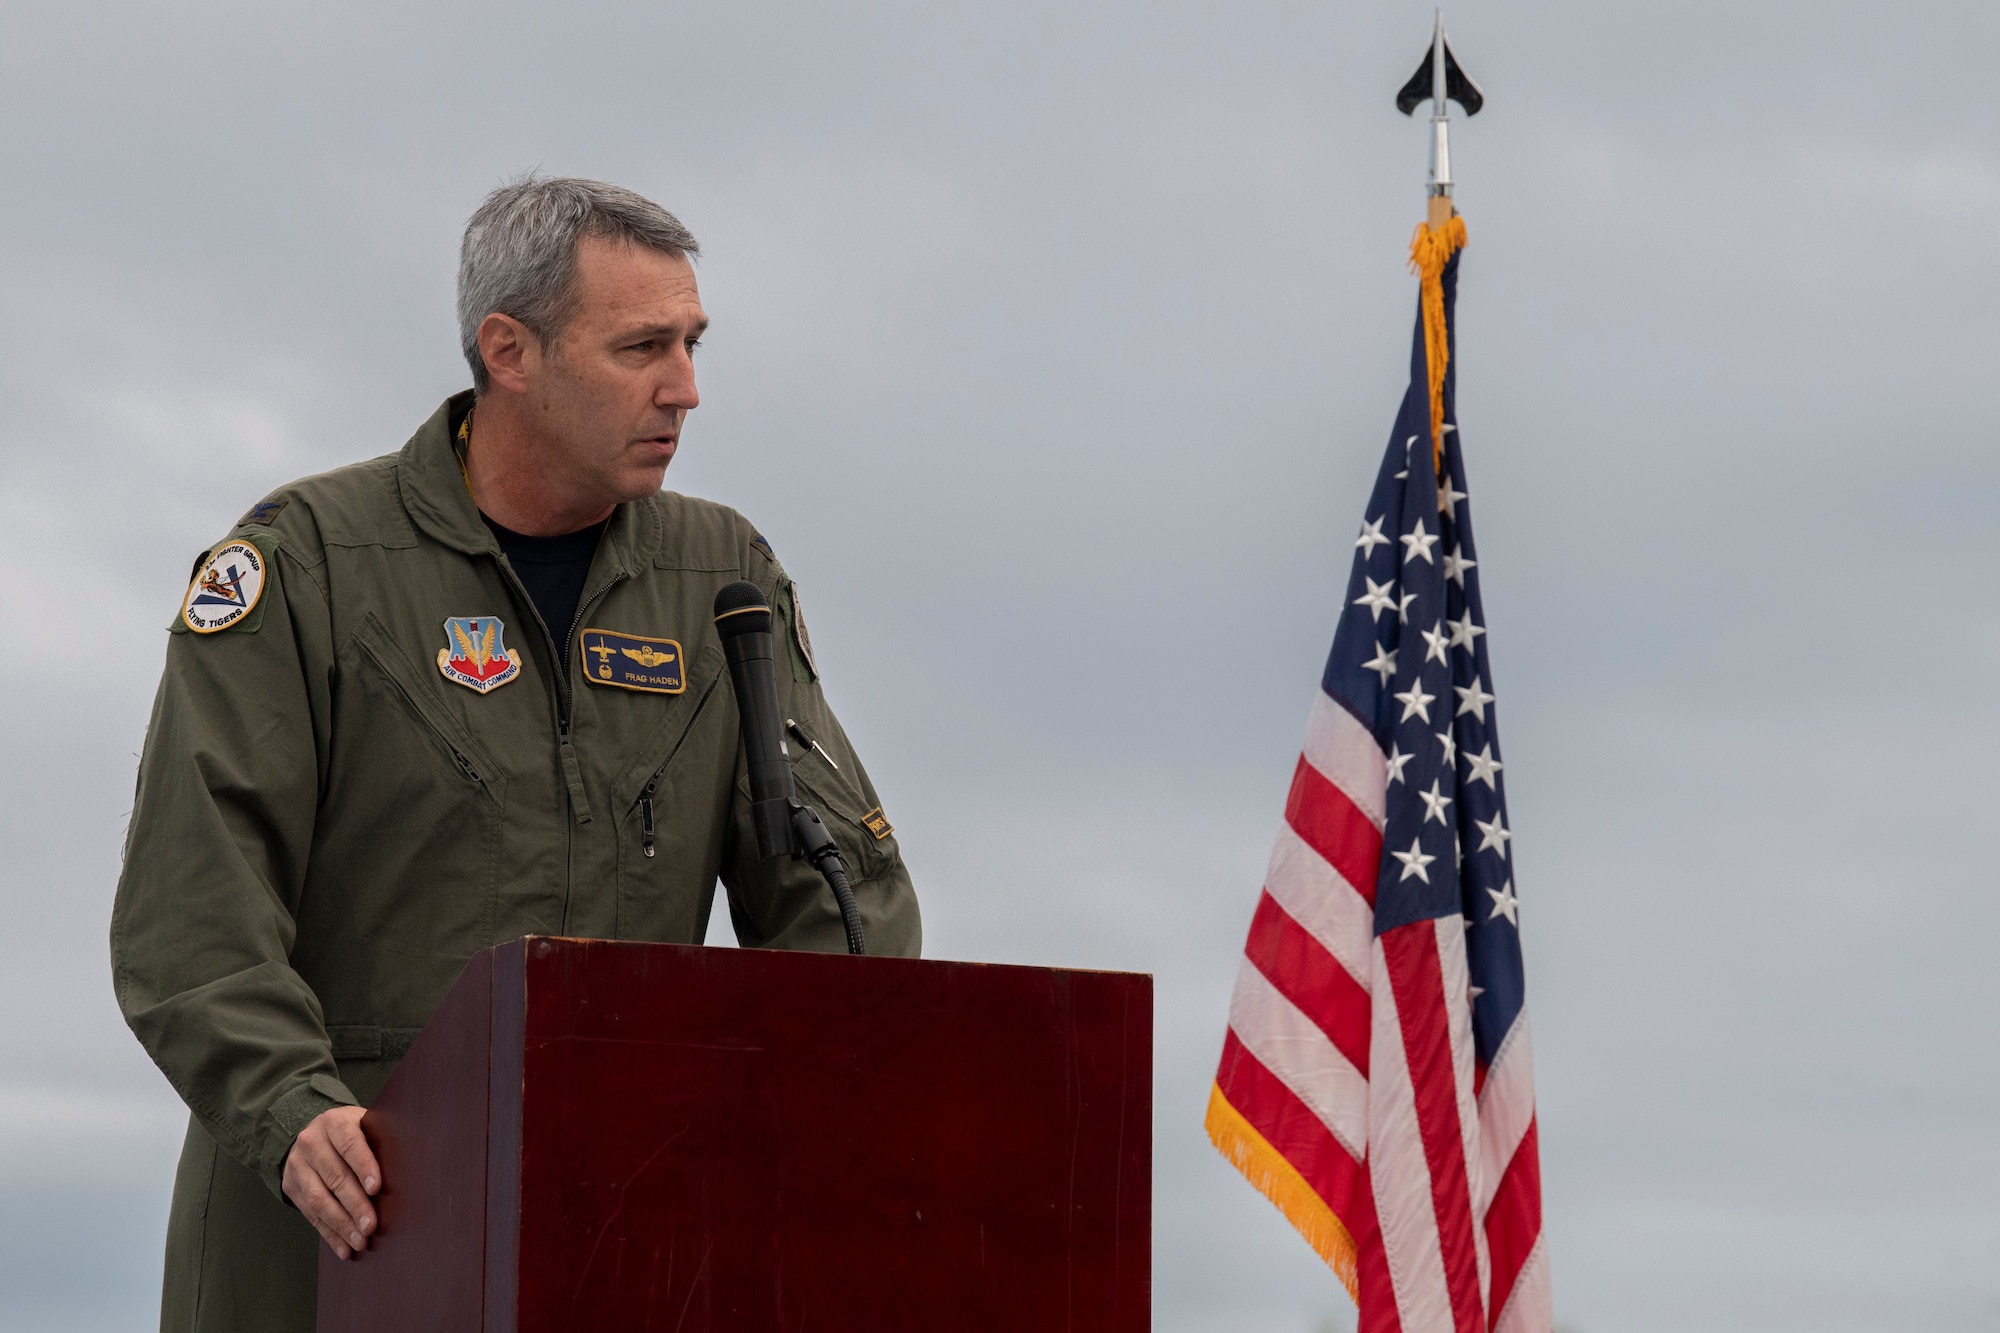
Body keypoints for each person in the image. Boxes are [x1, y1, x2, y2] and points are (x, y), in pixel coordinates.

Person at [109, 176, 921, 1333]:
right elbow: (189, 914)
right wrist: (292, 1110)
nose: (685, 389)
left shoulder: (720, 581)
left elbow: (837, 895)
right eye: (642, 345)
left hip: (632, 1241)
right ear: (510, 351)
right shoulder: (309, 566)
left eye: (690, 343)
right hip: (337, 1244)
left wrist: (805, 1113)